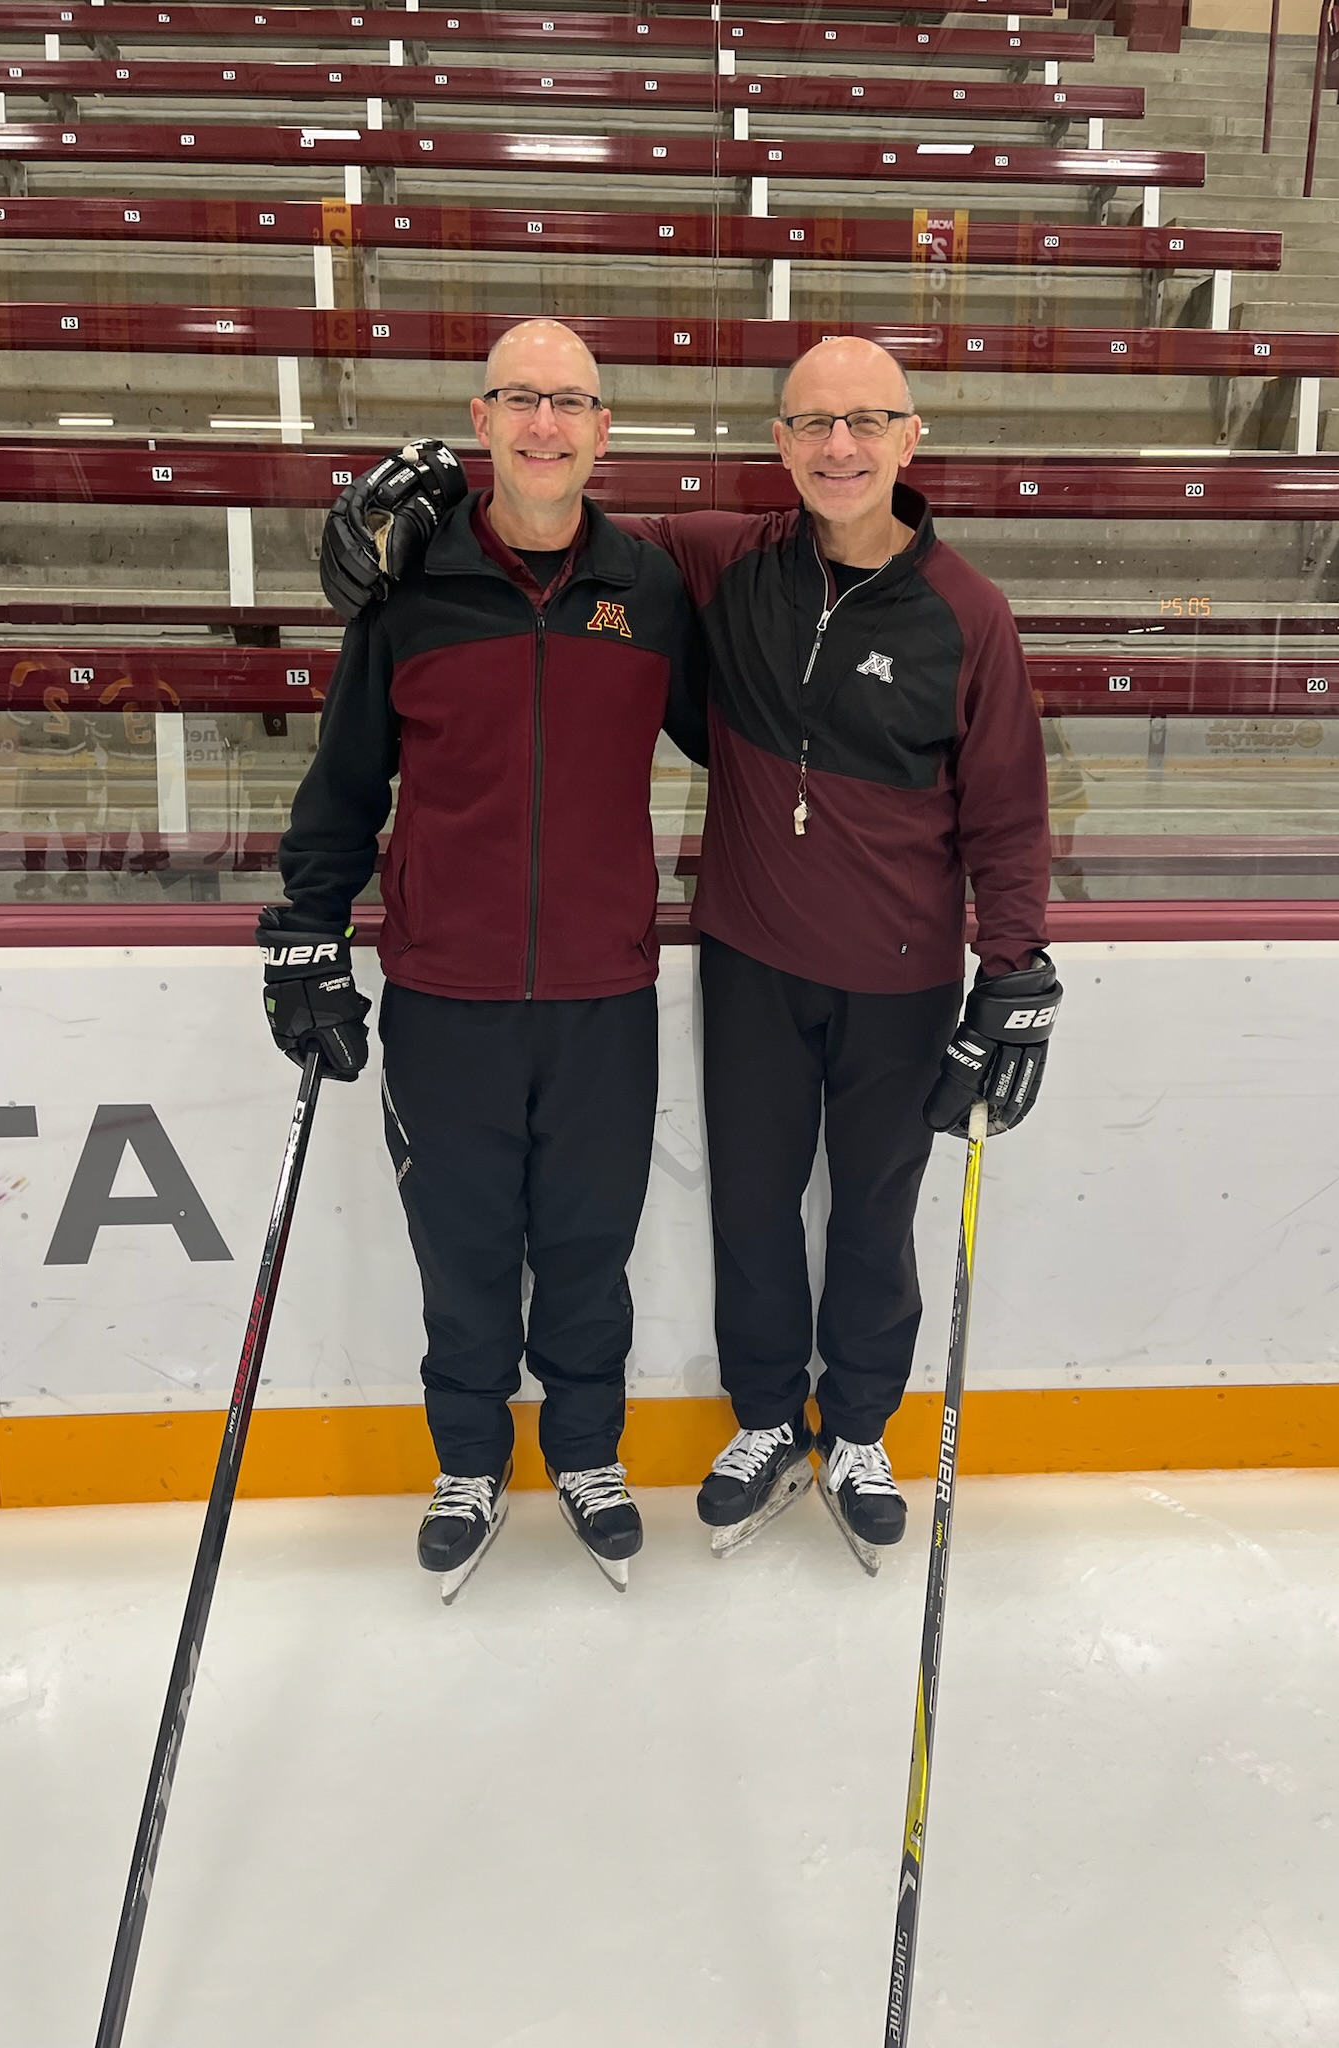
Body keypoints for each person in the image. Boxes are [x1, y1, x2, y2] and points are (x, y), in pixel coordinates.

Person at [321, 331, 1059, 1574]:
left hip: (903, 968)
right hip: (753, 955)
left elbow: (1007, 804)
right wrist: (431, 495)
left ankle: (859, 1428)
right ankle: (766, 1416)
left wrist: (1018, 969)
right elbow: (557, 516)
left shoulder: (967, 612)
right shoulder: (719, 558)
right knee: (754, 1209)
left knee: (875, 1214)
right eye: (813, 424)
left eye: (867, 422)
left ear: (909, 438)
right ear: (780, 441)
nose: (839, 447)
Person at [261, 319, 706, 1599]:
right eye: (520, 399)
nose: (544, 425)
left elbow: (744, 735)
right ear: (482, 419)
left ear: (603, 428)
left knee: (587, 1247)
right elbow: (346, 777)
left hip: (602, 994)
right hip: (445, 995)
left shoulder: (650, 589)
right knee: (459, 1252)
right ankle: (468, 1459)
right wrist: (306, 928)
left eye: (569, 402)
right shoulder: (410, 589)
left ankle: (585, 1450)